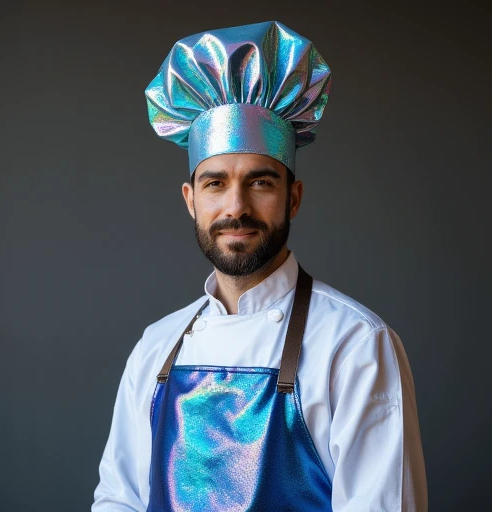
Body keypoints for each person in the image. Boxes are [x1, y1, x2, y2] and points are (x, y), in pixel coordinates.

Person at [92, 20, 428, 511]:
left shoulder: (356, 345)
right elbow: (118, 500)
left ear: (293, 197)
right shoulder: (156, 347)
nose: (235, 208)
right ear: (190, 199)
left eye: (260, 182)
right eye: (214, 184)